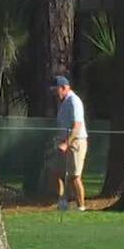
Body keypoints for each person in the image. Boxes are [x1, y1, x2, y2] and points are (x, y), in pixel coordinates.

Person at [48, 76, 88, 211]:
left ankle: (81, 207)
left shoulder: (74, 101)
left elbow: (77, 126)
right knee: (57, 172)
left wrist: (67, 143)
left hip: (76, 142)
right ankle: (62, 202)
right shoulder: (63, 102)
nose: (54, 94)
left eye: (56, 90)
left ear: (64, 88)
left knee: (74, 176)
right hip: (63, 142)